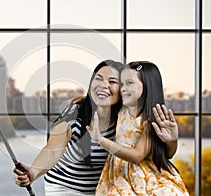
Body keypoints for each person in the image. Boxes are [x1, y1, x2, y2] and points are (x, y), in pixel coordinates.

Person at [13, 60, 179, 195]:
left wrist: (172, 141)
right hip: (65, 188)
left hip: (102, 191)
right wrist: (33, 172)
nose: (103, 85)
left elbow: (156, 154)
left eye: (112, 82)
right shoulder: (75, 112)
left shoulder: (127, 119)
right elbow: (53, 149)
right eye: (98, 79)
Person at [87, 61, 189, 195]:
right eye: (122, 83)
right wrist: (82, 100)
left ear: (147, 86)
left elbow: (138, 155)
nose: (123, 88)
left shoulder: (148, 120)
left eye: (129, 83)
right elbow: (103, 98)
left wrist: (100, 140)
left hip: (143, 174)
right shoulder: (121, 109)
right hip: (119, 173)